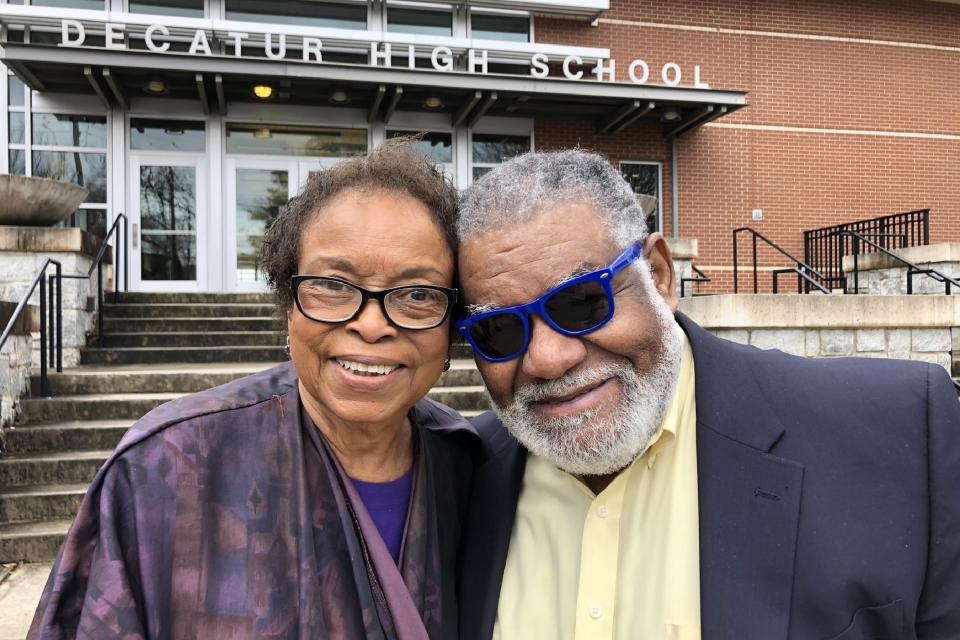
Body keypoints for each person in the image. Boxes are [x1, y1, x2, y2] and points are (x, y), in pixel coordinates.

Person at [454, 149, 960, 640]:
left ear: (658, 274)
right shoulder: (456, 472)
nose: (548, 359)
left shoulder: (898, 436)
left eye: (582, 302)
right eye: (498, 330)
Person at [28, 142, 476, 640]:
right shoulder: (166, 469)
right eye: (332, 284)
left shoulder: (473, 469)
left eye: (418, 294)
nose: (371, 326)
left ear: (453, 323)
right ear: (290, 302)